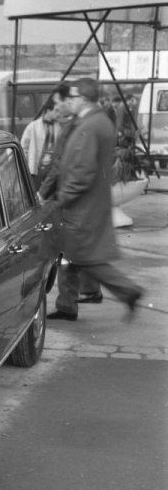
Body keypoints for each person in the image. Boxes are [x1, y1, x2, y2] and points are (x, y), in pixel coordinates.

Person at [47, 78, 143, 322]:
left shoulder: (90, 125)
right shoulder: (97, 121)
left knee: (83, 258)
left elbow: (83, 171)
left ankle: (129, 291)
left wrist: (62, 197)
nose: (71, 101)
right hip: (87, 205)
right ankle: (67, 305)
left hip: (81, 208)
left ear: (85, 99)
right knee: (70, 256)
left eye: (74, 97)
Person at [39, 82, 103, 305]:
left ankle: (67, 304)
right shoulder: (81, 123)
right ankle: (90, 290)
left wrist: (42, 193)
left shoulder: (71, 127)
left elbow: (58, 165)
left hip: (70, 197)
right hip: (82, 197)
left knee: (66, 251)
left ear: (69, 101)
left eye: (58, 102)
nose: (56, 107)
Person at [20, 99, 59, 190]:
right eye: (56, 111)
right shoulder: (33, 126)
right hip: (36, 169)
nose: (58, 113)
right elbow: (23, 146)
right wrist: (26, 164)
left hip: (50, 169)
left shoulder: (59, 126)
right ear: (48, 110)